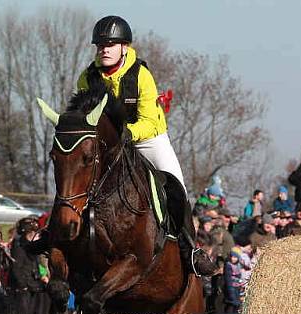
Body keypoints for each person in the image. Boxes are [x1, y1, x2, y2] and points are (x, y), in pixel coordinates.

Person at [76, 15, 216, 277]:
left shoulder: (140, 75)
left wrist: (126, 133)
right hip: (109, 145)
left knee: (176, 186)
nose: (103, 49)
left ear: (124, 48)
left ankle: (190, 249)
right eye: (100, 45)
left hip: (147, 139)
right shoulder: (87, 78)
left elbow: (150, 122)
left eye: (110, 44)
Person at [9, 219, 50, 314]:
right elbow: (17, 268)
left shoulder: (32, 247)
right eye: (34, 234)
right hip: (25, 288)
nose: (37, 237)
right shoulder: (19, 246)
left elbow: (37, 265)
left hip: (35, 285)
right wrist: (24, 285)